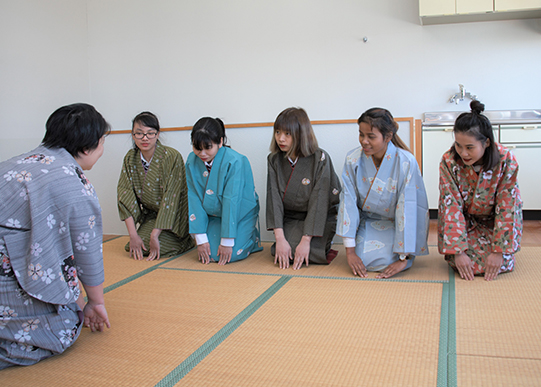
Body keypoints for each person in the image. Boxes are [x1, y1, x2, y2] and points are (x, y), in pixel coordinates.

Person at [0, 103, 111, 369]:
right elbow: (86, 252)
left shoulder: (14, 163)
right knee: (64, 328)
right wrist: (94, 301)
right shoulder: (74, 184)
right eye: (102, 142)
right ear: (87, 147)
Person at [337, 107, 429, 279]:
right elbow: (348, 202)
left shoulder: (405, 162)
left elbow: (408, 206)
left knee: (391, 258)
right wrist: (350, 252)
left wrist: (403, 258)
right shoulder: (353, 160)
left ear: (388, 137)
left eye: (371, 136)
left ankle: (406, 253)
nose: (364, 141)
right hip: (369, 222)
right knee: (364, 260)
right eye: (361, 134)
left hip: (397, 224)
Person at [438, 100, 522, 281]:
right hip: (466, 223)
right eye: (458, 145)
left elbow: (508, 205)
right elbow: (450, 205)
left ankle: (501, 252)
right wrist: (458, 251)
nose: (463, 153)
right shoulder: (449, 161)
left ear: (486, 143)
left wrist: (499, 251)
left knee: (500, 261)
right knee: (464, 262)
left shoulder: (506, 160)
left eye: (469, 147)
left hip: (494, 223)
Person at [266, 107, 341, 270]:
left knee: (306, 251)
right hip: (290, 218)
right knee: (279, 251)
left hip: (317, 219)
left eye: (287, 133)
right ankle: (291, 240)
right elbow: (274, 198)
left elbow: (320, 200)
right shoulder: (274, 160)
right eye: (277, 132)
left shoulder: (320, 158)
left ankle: (319, 241)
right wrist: (279, 238)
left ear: (301, 134)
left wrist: (306, 240)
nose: (281, 139)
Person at [117, 112, 194, 261]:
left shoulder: (171, 157)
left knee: (146, 245)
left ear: (157, 134)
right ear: (133, 135)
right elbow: (124, 194)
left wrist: (154, 234)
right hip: (151, 217)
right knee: (132, 246)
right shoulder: (130, 158)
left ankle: (184, 241)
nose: (144, 138)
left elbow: (172, 197)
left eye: (150, 133)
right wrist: (133, 235)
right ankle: (151, 237)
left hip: (174, 220)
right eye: (139, 134)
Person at [186, 117, 262, 265]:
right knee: (210, 253)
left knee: (230, 254)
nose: (202, 154)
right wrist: (200, 239)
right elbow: (193, 196)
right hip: (212, 215)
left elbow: (232, 200)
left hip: (239, 213)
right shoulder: (191, 161)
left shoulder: (235, 161)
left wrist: (227, 241)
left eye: (208, 147)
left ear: (220, 142)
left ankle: (251, 238)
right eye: (197, 148)